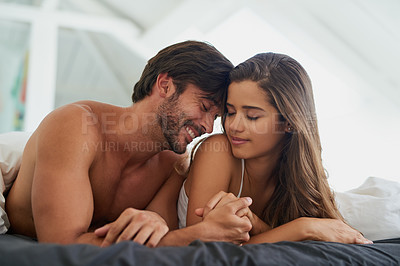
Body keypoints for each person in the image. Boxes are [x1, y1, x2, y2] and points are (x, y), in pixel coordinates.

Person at [5, 40, 253, 247]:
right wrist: (200, 234)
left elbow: (155, 243)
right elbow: (62, 246)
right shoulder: (76, 126)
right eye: (205, 107)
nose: (208, 127)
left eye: (216, 117)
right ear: (165, 85)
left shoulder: (173, 165)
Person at [177, 52, 373, 244]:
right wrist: (303, 228)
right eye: (230, 112)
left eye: (252, 116)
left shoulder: (298, 180)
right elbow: (203, 249)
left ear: (288, 122)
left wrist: (260, 226)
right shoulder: (217, 151)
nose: (234, 126)